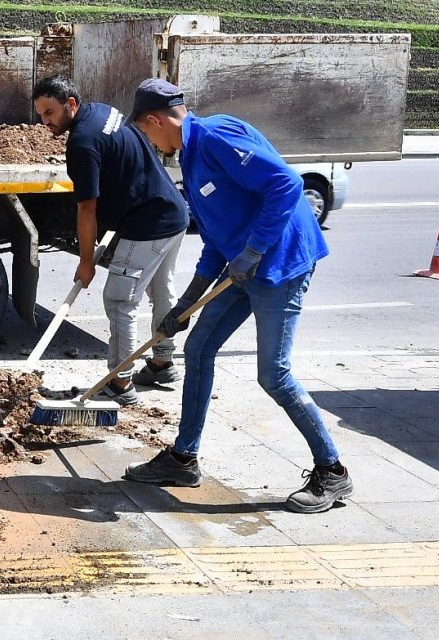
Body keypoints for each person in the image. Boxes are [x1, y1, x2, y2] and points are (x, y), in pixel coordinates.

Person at [124, 78, 351, 513]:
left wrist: (254, 250)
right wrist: (186, 303)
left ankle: (333, 471)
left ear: (155, 120)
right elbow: (216, 240)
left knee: (274, 375)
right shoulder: (190, 158)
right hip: (243, 268)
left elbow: (286, 184)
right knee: (198, 348)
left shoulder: (215, 137)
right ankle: (183, 459)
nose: (152, 143)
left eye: (147, 133)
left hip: (280, 265)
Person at [31, 75, 190, 405]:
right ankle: (162, 362)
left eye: (49, 113)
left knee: (120, 300)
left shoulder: (81, 144)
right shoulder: (103, 111)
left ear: (70, 104)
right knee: (161, 288)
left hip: (147, 224)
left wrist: (86, 261)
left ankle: (119, 382)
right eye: (41, 115)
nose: (45, 122)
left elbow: (87, 207)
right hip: (172, 211)